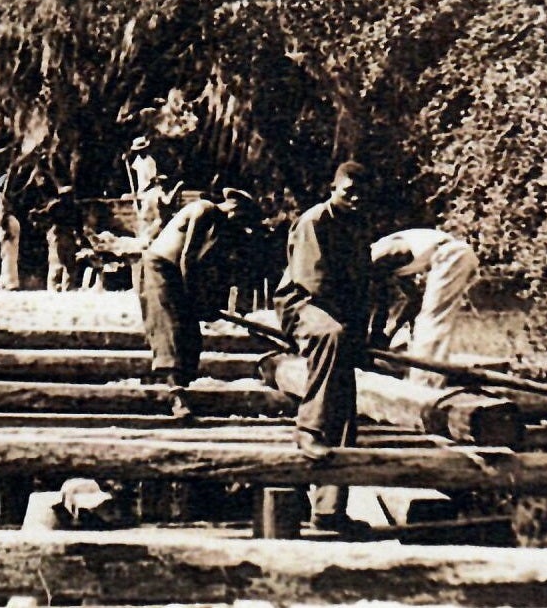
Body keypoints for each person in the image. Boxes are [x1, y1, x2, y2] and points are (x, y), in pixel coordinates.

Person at [273, 161, 381, 534]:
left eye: (361, 193)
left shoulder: (359, 228)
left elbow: (365, 287)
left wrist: (365, 334)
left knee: (344, 401)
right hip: (303, 307)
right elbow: (314, 283)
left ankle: (329, 510)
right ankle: (309, 429)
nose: (355, 198)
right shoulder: (314, 221)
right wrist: (347, 330)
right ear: (333, 187)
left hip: (338, 316)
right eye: (348, 190)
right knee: (330, 337)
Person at [138, 188, 262, 418]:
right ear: (235, 208)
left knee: (191, 333)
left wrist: (207, 303)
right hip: (161, 268)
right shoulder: (204, 210)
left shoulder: (221, 229)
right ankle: (176, 394)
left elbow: (209, 269)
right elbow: (188, 257)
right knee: (171, 326)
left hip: (178, 273)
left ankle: (182, 386)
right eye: (243, 219)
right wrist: (193, 296)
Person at [369, 228, 480, 386]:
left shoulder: (377, 254)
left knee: (432, 320)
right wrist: (388, 332)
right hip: (454, 255)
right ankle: (426, 376)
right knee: (430, 320)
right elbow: (413, 301)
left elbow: (379, 303)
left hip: (451, 254)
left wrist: (377, 335)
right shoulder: (395, 267)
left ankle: (424, 384)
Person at [31, 185, 84, 291]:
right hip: (59, 235)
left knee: (67, 263)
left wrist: (79, 237)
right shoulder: (57, 206)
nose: (68, 198)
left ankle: (64, 287)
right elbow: (43, 216)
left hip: (65, 235)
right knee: (58, 262)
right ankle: (56, 287)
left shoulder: (71, 207)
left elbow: (79, 225)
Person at [135, 174, 183, 241]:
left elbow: (140, 196)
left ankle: (144, 240)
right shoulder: (159, 192)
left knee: (145, 231)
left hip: (144, 213)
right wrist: (176, 187)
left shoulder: (150, 191)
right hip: (151, 215)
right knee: (158, 222)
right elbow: (167, 201)